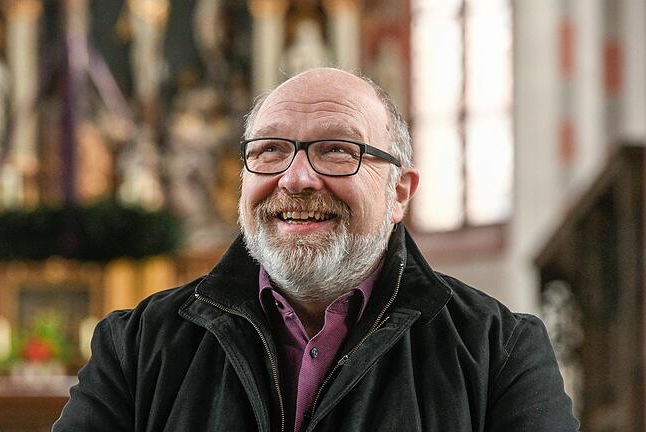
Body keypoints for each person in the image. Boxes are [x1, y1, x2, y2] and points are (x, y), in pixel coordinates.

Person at [53, 68, 579, 431]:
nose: (296, 178)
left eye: (336, 150)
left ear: (400, 192)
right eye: (270, 151)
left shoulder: (498, 352)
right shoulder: (136, 346)